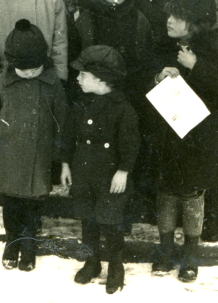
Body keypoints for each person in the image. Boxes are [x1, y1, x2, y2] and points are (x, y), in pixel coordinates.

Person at [0, 19, 69, 272]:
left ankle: (28, 245)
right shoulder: (3, 83)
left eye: (34, 68)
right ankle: (12, 242)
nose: (29, 73)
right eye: (23, 69)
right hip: (6, 153)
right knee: (11, 203)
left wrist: (60, 157)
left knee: (31, 205)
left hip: (37, 156)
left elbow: (62, 121)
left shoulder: (51, 85)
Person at [150, 0, 218, 282]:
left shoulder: (210, 49)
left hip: (198, 137)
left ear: (194, 24)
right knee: (166, 192)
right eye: (169, 14)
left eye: (177, 16)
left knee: (191, 193)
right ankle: (166, 250)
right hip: (167, 134)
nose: (169, 21)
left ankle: (190, 255)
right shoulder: (162, 45)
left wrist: (195, 65)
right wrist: (159, 75)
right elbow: (145, 75)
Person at [62, 45, 139, 294]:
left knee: (111, 221)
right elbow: (67, 136)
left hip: (110, 175)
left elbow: (131, 143)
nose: (77, 78)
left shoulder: (122, 108)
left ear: (102, 79)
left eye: (83, 74)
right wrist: (65, 163)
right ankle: (92, 261)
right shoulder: (80, 104)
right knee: (88, 218)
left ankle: (116, 265)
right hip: (84, 172)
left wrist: (124, 170)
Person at [74, 0, 156, 103]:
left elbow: (146, 60)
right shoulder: (87, 19)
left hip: (131, 91)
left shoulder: (138, 18)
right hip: (96, 91)